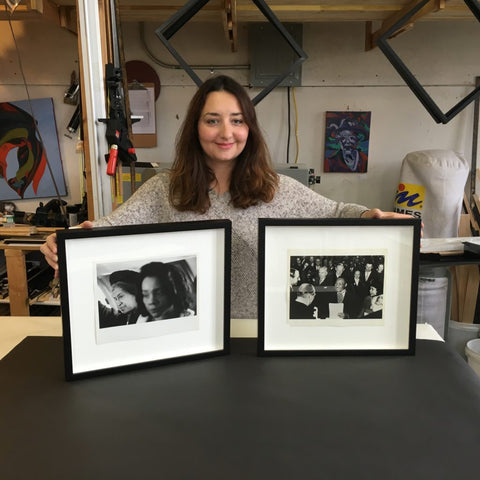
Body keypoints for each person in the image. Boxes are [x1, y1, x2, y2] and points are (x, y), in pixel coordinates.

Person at [40, 75, 412, 320]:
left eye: (237, 120)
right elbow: (109, 228)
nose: (226, 132)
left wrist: (373, 218)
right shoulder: (164, 189)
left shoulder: (274, 189)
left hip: (256, 336)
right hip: (186, 340)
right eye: (212, 119)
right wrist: (70, 241)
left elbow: (335, 211)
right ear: (195, 127)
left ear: (248, 128)